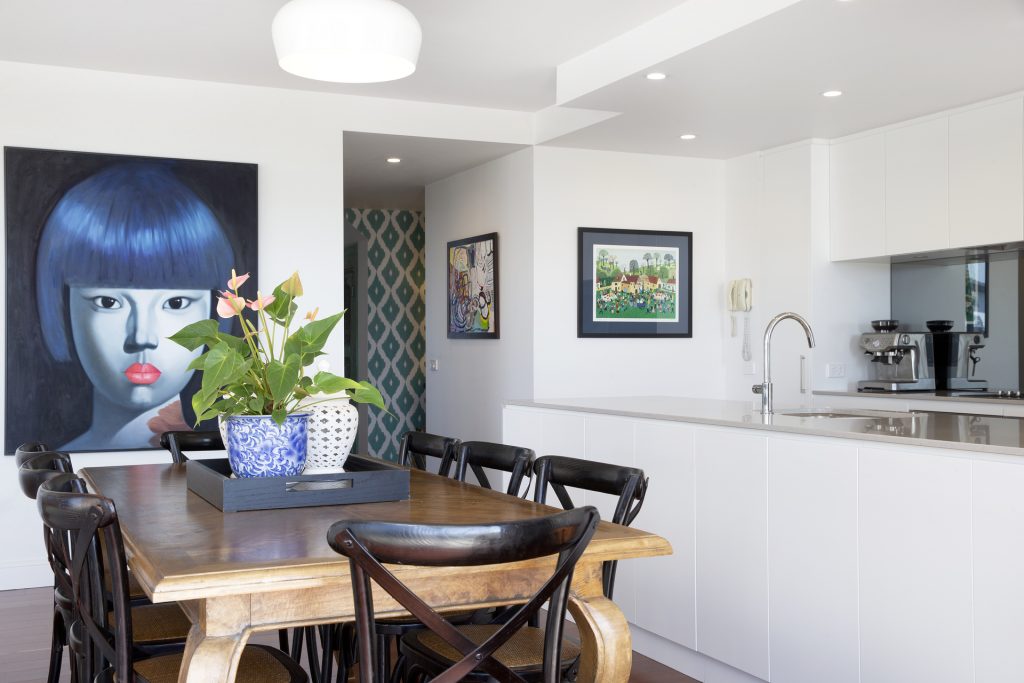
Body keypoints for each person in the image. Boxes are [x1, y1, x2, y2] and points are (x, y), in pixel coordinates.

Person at [35, 162, 236, 450]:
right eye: (108, 302)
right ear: (63, 306)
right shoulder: (55, 467)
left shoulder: (219, 463)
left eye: (176, 303)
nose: (142, 337)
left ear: (214, 307)